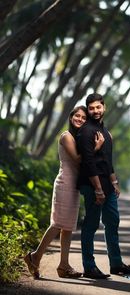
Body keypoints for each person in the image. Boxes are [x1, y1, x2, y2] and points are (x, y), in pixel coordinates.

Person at [24, 106, 104, 279]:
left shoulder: (79, 137)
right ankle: (35, 256)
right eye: (77, 116)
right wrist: (95, 148)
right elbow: (77, 159)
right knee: (58, 223)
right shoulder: (66, 136)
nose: (80, 119)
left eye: (83, 117)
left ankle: (63, 265)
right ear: (71, 117)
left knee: (67, 227)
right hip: (64, 183)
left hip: (73, 186)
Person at [77, 93, 130, 279]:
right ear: (88, 110)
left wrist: (114, 182)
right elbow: (89, 163)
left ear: (104, 107)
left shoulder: (106, 132)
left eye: (98, 107)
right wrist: (98, 189)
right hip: (93, 186)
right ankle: (89, 266)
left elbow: (107, 161)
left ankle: (116, 264)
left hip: (108, 186)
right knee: (90, 225)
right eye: (91, 108)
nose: (95, 111)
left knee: (112, 222)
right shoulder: (86, 131)